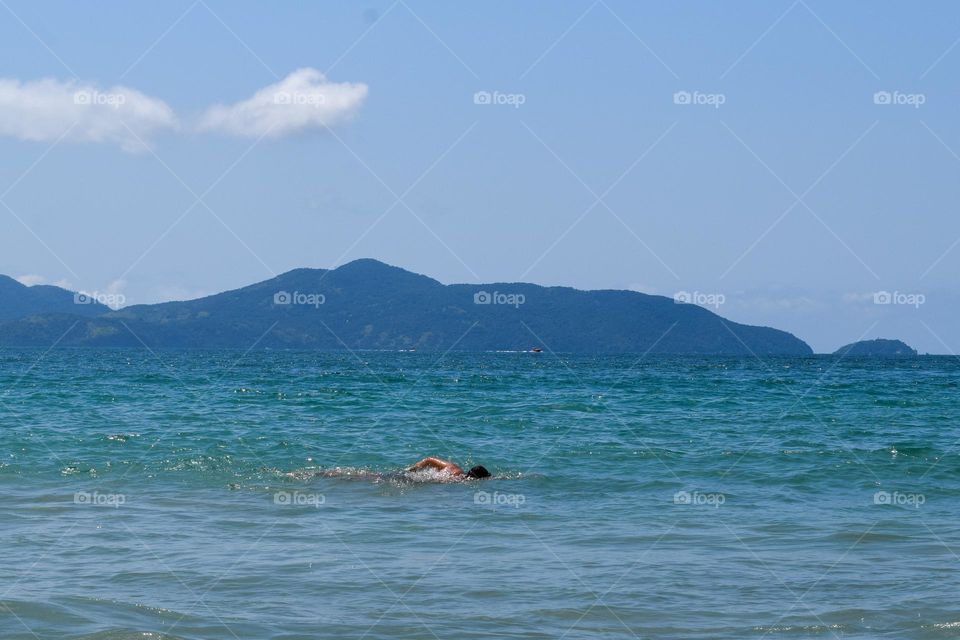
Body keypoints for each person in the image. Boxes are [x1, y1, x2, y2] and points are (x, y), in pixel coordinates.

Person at [406, 457, 491, 479]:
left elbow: (429, 459)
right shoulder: (455, 476)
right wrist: (411, 469)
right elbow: (429, 459)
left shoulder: (454, 468)